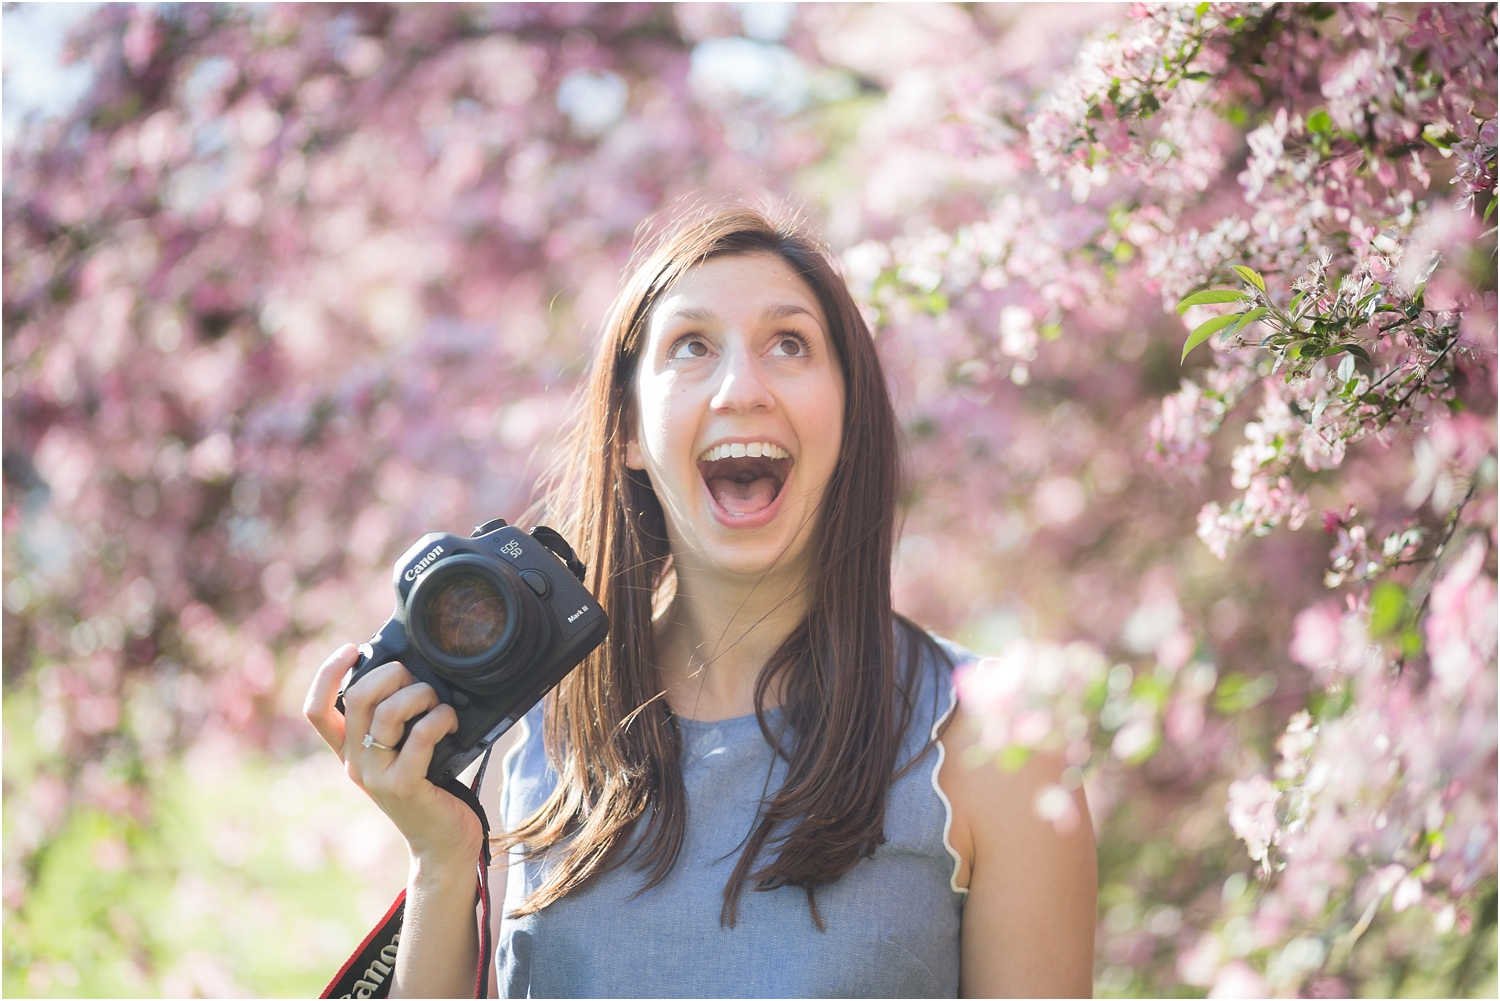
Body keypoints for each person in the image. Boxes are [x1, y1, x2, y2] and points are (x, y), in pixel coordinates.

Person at [305, 207, 1097, 998]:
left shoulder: (997, 743)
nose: (741, 389)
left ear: (849, 415)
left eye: (789, 344)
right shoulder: (539, 743)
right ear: (629, 431)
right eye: (693, 346)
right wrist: (442, 860)